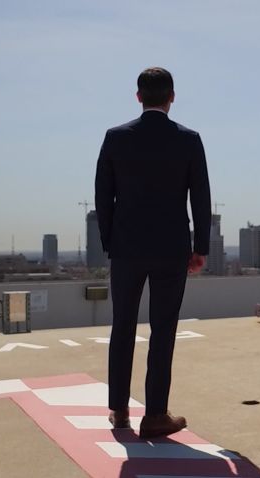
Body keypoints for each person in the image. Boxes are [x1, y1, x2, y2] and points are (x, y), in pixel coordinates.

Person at [95, 67, 211, 439]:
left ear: (138, 97)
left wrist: (110, 242)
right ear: (172, 97)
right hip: (171, 248)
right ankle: (156, 415)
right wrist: (201, 248)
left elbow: (103, 196)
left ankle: (119, 411)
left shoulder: (116, 138)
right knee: (163, 330)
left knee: (123, 326)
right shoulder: (189, 140)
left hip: (127, 247)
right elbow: (201, 197)